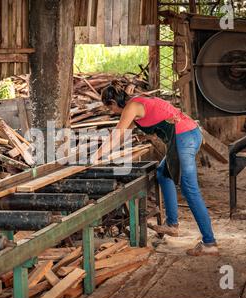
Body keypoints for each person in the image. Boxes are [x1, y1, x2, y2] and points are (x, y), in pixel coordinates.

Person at [93, 83, 219, 256]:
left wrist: (95, 157)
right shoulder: (136, 106)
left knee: (190, 191)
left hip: (184, 138)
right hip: (186, 135)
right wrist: (105, 153)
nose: (111, 111)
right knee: (163, 173)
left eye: (110, 107)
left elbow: (115, 135)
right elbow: (121, 137)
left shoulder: (132, 107)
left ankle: (209, 243)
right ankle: (172, 224)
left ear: (113, 102)